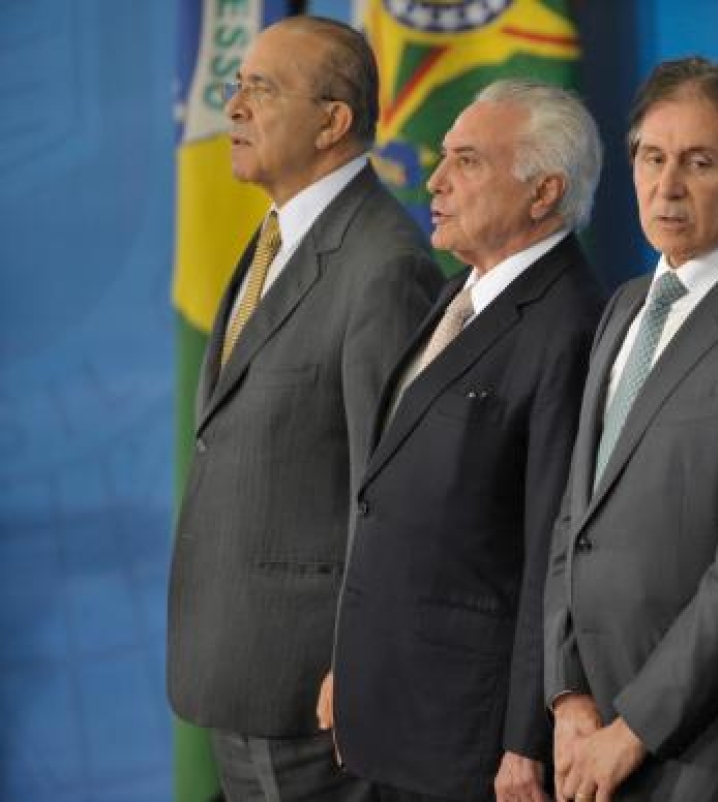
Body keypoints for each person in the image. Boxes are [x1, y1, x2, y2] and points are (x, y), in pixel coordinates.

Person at [543, 57, 718, 801]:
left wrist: (633, 728)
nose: (666, 186)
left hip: (695, 746)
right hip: (585, 730)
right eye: (651, 157)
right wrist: (567, 694)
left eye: (699, 163)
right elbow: (579, 512)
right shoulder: (628, 304)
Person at [166, 16, 442, 802]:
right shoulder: (272, 239)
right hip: (241, 676)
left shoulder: (383, 268)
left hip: (313, 699)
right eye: (237, 85)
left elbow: (390, 495)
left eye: (263, 88)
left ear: (334, 120)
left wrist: (359, 658)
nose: (237, 108)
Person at [327, 79, 606, 802]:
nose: (436, 179)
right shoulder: (463, 289)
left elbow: (552, 550)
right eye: (444, 156)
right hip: (397, 705)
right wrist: (352, 666)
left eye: (469, 162)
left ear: (543, 193)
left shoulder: (568, 327)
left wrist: (524, 737)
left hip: (472, 738)